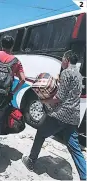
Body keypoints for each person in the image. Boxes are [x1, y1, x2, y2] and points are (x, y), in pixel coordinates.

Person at [22, 50, 86, 180]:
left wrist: (44, 100)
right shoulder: (79, 76)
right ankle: (84, 176)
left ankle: (31, 161)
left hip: (60, 115)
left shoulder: (67, 73)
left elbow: (59, 97)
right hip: (73, 117)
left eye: (62, 59)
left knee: (41, 133)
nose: (61, 62)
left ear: (67, 60)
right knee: (75, 149)